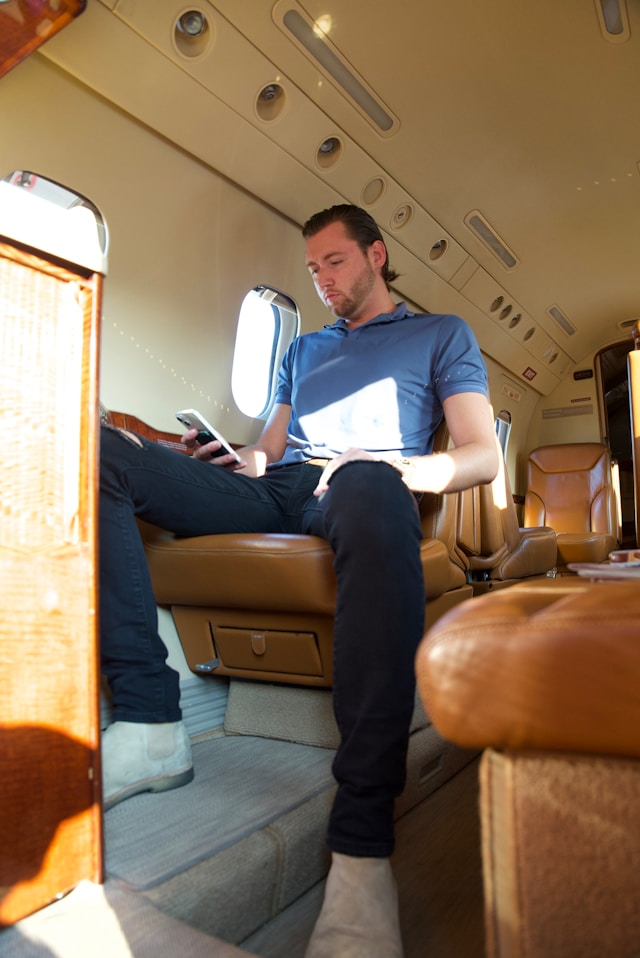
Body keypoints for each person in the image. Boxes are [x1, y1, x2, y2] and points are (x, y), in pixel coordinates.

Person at [99, 204, 498, 958]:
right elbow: (270, 450)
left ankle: (361, 846)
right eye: (312, 269)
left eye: (335, 263)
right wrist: (229, 456)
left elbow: (482, 453)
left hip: (371, 485)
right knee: (102, 454)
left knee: (370, 483)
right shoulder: (304, 349)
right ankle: (151, 726)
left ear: (377, 256)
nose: (321, 280)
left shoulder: (440, 334)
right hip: (281, 484)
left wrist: (404, 469)